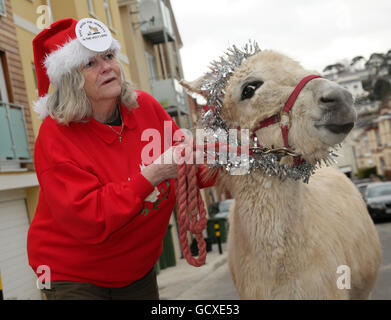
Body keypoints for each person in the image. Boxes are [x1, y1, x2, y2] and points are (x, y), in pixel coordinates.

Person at [27, 18, 214, 300]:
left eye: (109, 56)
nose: (106, 67)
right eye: (90, 63)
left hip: (136, 269)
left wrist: (242, 156)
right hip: (73, 273)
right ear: (70, 80)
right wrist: (152, 175)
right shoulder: (56, 136)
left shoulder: (146, 108)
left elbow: (192, 169)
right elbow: (89, 218)